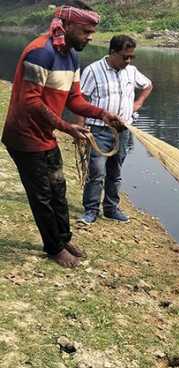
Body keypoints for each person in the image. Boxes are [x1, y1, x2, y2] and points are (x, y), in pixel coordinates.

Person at [1, 1, 125, 268]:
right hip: (24, 136)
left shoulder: (71, 56)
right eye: (85, 31)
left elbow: (75, 99)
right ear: (67, 25)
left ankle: (63, 237)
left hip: (45, 134)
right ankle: (54, 248)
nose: (90, 36)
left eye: (92, 31)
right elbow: (31, 102)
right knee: (42, 193)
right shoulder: (40, 52)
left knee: (58, 187)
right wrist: (68, 128)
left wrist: (103, 114)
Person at [78, 35, 153, 225]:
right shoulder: (93, 70)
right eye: (124, 57)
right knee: (96, 172)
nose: (128, 61)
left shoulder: (131, 71)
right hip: (99, 130)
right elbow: (81, 100)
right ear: (112, 53)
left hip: (123, 131)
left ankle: (111, 209)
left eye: (131, 57)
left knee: (115, 171)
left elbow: (148, 85)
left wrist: (138, 103)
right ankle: (91, 211)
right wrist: (80, 129)